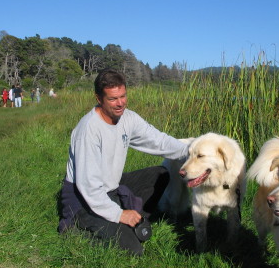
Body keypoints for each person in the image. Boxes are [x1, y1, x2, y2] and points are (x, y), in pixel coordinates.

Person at [58, 69, 189, 255]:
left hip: (110, 187)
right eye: (112, 99)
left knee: (161, 174)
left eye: (123, 96)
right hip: (83, 197)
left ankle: (131, 219)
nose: (120, 103)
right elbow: (89, 187)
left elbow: (158, 140)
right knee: (133, 249)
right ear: (98, 98)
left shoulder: (128, 118)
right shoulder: (88, 130)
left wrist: (192, 151)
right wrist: (120, 214)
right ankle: (75, 227)